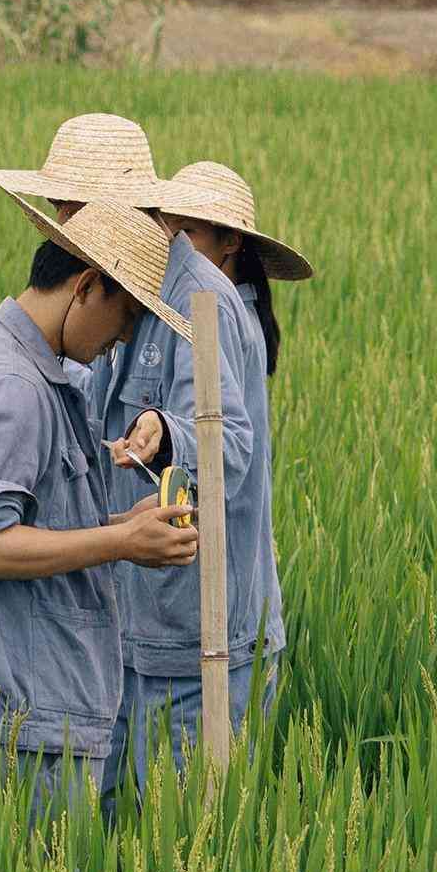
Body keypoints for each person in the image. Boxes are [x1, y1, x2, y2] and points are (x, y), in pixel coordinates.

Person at [0, 116, 271, 793]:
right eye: (57, 212)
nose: (62, 230)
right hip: (116, 612)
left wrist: (166, 430)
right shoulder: (101, 285)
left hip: (192, 633)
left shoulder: (202, 300)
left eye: (72, 210)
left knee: (182, 851)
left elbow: (232, 446)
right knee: (113, 850)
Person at [0, 196, 202, 826]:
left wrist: (128, 525)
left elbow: (33, 528)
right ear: (87, 287)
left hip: (37, 714)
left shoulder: (37, 377)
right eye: (123, 320)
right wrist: (120, 545)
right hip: (14, 726)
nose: (118, 343)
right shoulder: (11, 388)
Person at [148, 159, 312, 746]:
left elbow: (224, 449)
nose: (174, 246)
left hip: (226, 612)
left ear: (230, 242)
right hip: (230, 606)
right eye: (169, 229)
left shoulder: (218, 317)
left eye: (187, 232)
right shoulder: (202, 311)